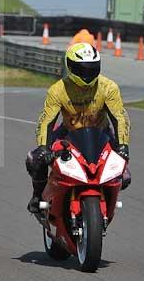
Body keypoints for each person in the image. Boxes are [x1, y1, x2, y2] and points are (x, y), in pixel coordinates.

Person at [25, 42, 131, 213]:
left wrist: (123, 145)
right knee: (35, 159)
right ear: (70, 66)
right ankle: (38, 196)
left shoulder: (109, 87)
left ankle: (106, 205)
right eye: (82, 69)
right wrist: (43, 148)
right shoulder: (57, 90)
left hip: (101, 134)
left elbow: (120, 117)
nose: (87, 74)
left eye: (92, 69)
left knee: (124, 175)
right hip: (69, 133)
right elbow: (46, 121)